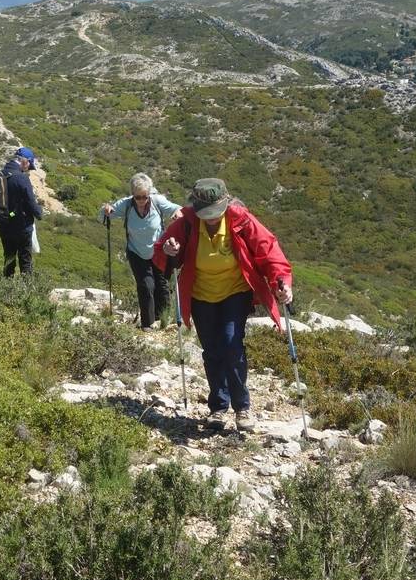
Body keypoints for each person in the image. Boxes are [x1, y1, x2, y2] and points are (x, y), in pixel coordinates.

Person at [154, 178, 293, 433]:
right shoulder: (186, 221)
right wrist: (169, 250)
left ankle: (242, 407)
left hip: (235, 292)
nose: (210, 219)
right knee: (211, 350)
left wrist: (281, 282)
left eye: (215, 214)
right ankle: (218, 407)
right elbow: (161, 252)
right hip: (200, 295)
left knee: (231, 344)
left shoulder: (241, 220)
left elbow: (269, 251)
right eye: (205, 214)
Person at [100, 173, 183, 329]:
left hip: (159, 251)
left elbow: (176, 208)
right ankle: (148, 324)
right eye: (137, 197)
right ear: (133, 195)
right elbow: (105, 214)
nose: (141, 201)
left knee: (163, 287)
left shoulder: (157, 201)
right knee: (146, 286)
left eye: (144, 197)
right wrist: (107, 210)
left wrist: (177, 213)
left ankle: (163, 320)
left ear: (149, 194)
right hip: (136, 252)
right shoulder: (126, 204)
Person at [0, 147, 43, 276]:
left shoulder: (1, 174)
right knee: (25, 261)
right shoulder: (21, 178)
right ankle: (26, 293)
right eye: (29, 166)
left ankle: (6, 290)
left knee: (9, 258)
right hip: (21, 226)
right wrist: (39, 213)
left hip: (4, 225)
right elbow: (31, 203)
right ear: (25, 161)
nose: (28, 169)